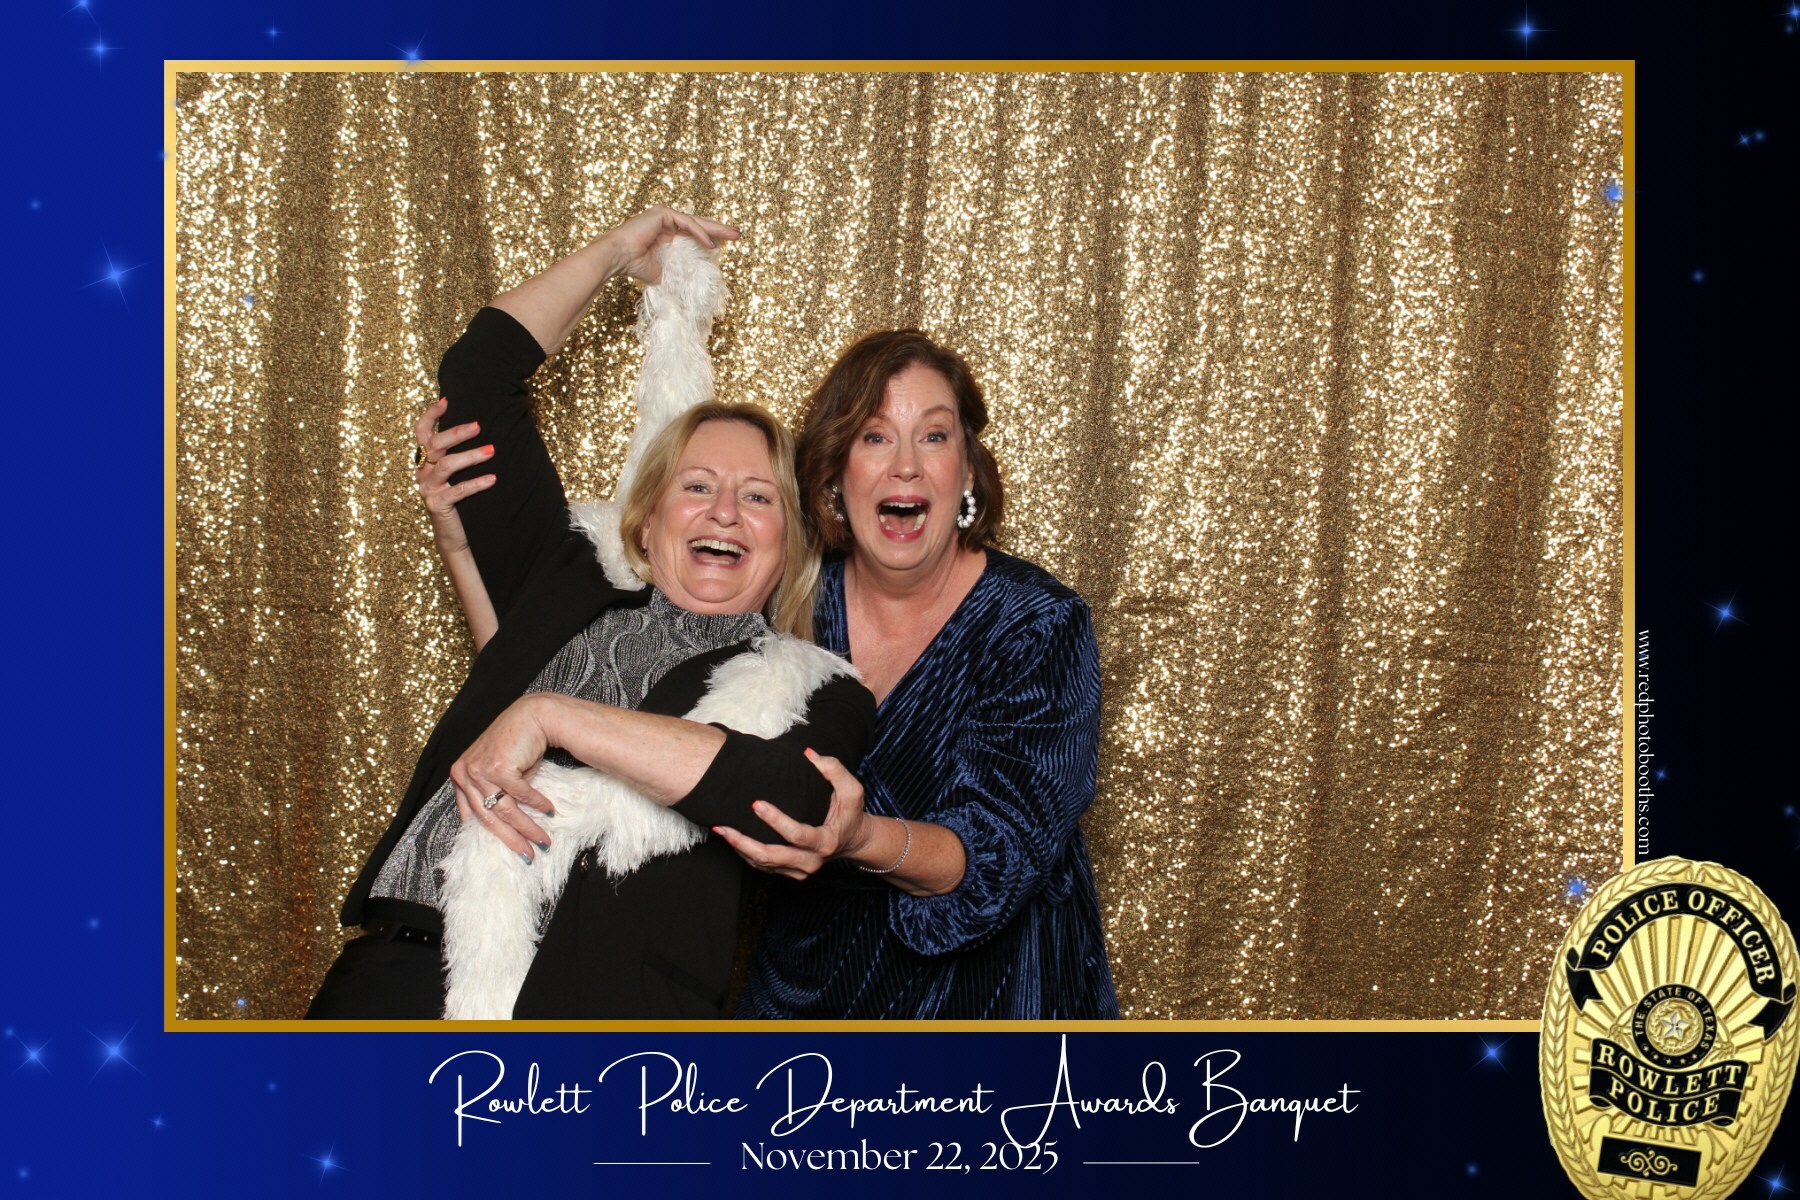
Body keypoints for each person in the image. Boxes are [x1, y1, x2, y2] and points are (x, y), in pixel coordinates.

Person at [306, 207, 873, 1020]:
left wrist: (551, 716)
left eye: (758, 498)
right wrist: (616, 254)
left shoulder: (818, 688)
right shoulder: (565, 577)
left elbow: (788, 799)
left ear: (791, 543)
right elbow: (479, 377)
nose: (723, 512)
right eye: (697, 487)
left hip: (584, 1020)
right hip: (392, 977)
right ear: (647, 519)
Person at [713, 330, 1119, 1019]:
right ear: (835, 474)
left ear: (968, 471)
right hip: (810, 989)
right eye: (875, 437)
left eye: (933, 437)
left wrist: (858, 837)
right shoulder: (787, 602)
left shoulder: (1038, 623)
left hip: (995, 999)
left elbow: (1001, 850)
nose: (905, 466)